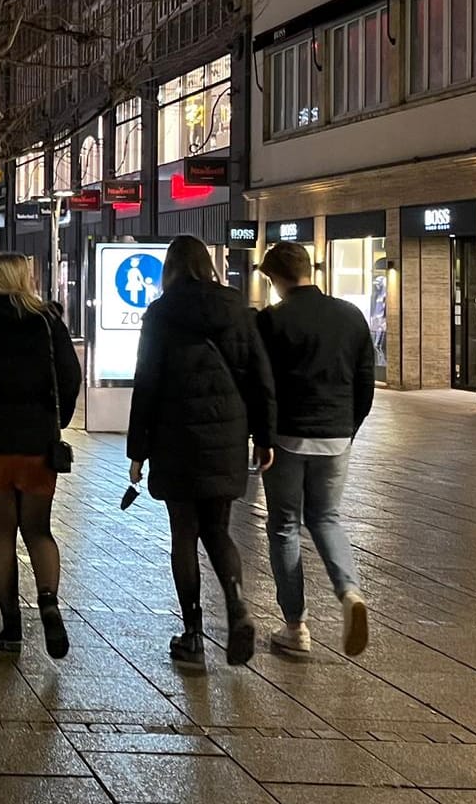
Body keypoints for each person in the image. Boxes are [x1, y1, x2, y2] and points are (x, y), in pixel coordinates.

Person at [127, 235, 276, 668]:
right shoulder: (236, 308)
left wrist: (138, 450)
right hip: (226, 437)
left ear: (170, 269)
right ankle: (237, 606)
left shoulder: (160, 314)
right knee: (218, 529)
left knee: (184, 534)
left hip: (175, 439)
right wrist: (264, 437)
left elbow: (147, 384)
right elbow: (259, 377)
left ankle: (193, 637)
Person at [0, 253, 81, 658]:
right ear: (24, 278)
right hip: (38, 439)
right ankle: (48, 602)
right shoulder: (47, 322)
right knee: (39, 530)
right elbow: (70, 375)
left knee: (2, 531)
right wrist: (57, 418)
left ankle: (10, 626)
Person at [255, 241, 374, 657]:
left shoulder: (273, 320)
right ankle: (350, 593)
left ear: (275, 278)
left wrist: (261, 437)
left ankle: (295, 628)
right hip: (336, 434)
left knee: (285, 525)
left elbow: (262, 385)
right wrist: (350, 427)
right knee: (326, 518)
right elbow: (365, 382)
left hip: (287, 437)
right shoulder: (351, 316)